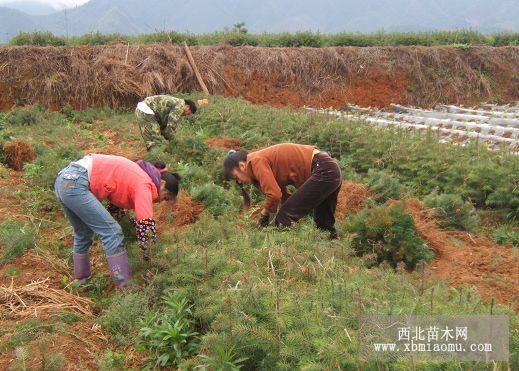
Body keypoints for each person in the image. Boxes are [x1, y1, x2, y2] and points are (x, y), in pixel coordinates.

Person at [54, 154, 181, 288]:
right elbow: (146, 227)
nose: (161, 201)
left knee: (83, 232)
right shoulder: (145, 184)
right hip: (77, 183)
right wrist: (153, 259)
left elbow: (115, 209)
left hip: (64, 181)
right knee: (113, 232)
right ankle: (125, 286)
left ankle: (81, 281)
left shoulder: (136, 175)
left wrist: (133, 228)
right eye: (165, 197)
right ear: (162, 183)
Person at [223, 143, 342, 239]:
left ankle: (286, 256)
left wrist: (264, 214)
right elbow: (284, 196)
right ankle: (333, 255)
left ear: (242, 166)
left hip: (323, 169)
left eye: (236, 177)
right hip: (329, 169)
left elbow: (274, 195)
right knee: (324, 227)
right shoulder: (255, 168)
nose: (239, 181)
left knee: (284, 217)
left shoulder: (255, 161)